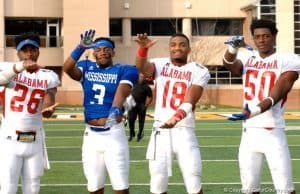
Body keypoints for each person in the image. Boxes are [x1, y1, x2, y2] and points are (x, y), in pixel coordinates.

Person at [223, 19, 299, 194]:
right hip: (249, 134)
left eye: (266, 36)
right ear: (254, 39)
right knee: (249, 189)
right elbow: (231, 67)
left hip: (273, 131)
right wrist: (232, 48)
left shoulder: (288, 60)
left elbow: (277, 94)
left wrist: (253, 111)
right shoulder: (247, 56)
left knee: (285, 189)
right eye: (257, 37)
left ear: (274, 37)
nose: (262, 40)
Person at [63, 30, 138, 194]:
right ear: (93, 52)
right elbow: (67, 69)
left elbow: (122, 91)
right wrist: (80, 47)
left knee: (120, 188)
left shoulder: (124, 69)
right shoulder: (86, 67)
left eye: (106, 49)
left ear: (113, 52)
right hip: (91, 136)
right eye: (98, 49)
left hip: (113, 134)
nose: (102, 52)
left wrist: (115, 110)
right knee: (94, 187)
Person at [135, 33, 210, 194]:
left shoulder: (199, 70)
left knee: (193, 179)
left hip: (184, 130)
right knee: (157, 181)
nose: (177, 47)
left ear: (189, 48)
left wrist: (176, 118)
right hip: (160, 131)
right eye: (173, 44)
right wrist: (143, 49)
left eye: (182, 44)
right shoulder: (159, 64)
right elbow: (142, 68)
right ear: (169, 48)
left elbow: (191, 99)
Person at [0, 33, 60, 194]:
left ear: (38, 51)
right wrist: (20, 67)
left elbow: (50, 97)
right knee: (7, 187)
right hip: (10, 138)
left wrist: (48, 109)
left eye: (32, 49)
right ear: (17, 53)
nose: (29, 54)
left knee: (33, 188)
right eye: (24, 50)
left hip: (35, 138)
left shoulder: (48, 75)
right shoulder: (8, 68)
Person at [127, 73, 153, 142]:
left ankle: (140, 135)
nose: (142, 78)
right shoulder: (133, 84)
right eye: (141, 76)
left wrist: (146, 105)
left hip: (141, 105)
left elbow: (150, 97)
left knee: (141, 121)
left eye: (143, 77)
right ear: (138, 76)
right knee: (131, 120)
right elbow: (127, 92)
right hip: (132, 105)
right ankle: (132, 134)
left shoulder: (147, 87)